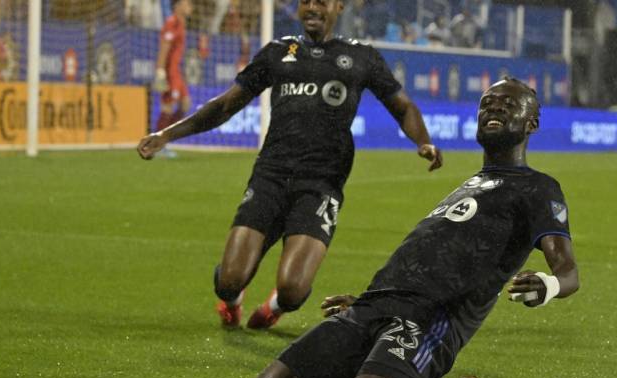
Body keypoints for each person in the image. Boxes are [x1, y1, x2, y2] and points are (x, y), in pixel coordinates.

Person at [239, 78, 580, 378]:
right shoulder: (471, 184)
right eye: (487, 103)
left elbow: (569, 271)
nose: (494, 109)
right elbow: (426, 255)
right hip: (371, 308)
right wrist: (367, 299)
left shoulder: (538, 188)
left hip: (430, 320)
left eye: (509, 105)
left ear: (532, 124)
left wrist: (550, 284)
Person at [136, 0, 442, 330]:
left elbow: (403, 106)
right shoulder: (276, 53)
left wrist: (422, 141)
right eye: (305, 2)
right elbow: (226, 105)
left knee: (293, 290)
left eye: (321, 2)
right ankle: (231, 302)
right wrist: (167, 134)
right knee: (228, 280)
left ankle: (273, 307)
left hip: (321, 184)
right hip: (271, 175)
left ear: (338, 6)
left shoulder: (360, 57)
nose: (312, 8)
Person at [153, 0, 194, 155]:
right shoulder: (172, 23)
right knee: (168, 107)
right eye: (187, 3)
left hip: (176, 72)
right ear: (178, 6)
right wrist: (160, 71)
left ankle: (164, 140)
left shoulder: (181, 23)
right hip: (169, 72)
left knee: (185, 104)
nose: (190, 6)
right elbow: (164, 47)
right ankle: (157, 146)